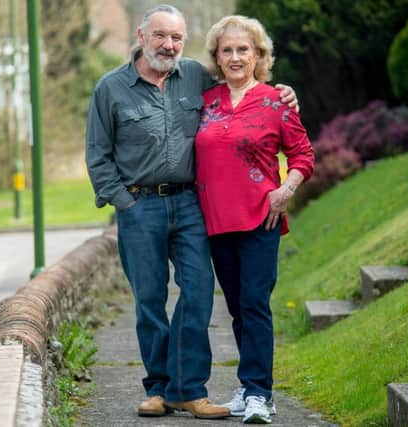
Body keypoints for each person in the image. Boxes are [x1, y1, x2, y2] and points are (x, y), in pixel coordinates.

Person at [85, 4, 298, 420]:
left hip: (190, 205)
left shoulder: (198, 78)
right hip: (138, 204)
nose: (169, 45)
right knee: (149, 299)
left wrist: (286, 93)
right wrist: (123, 202)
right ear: (141, 37)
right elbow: (97, 154)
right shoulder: (110, 88)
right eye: (161, 36)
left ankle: (189, 389)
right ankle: (158, 387)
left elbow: (247, 84)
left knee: (199, 294)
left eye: (177, 38)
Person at [195, 15, 314, 424]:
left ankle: (261, 393)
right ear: (216, 56)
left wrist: (286, 190)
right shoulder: (205, 101)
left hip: (260, 220)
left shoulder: (276, 101)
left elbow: (303, 156)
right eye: (226, 50)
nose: (234, 57)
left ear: (258, 55)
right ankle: (250, 388)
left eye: (242, 49)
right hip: (215, 222)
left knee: (255, 305)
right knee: (237, 309)